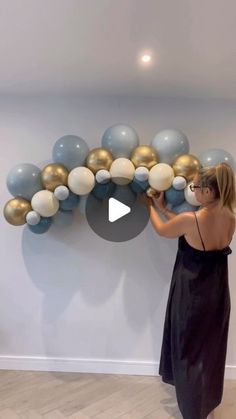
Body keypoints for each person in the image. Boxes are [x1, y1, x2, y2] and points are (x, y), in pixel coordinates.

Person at [142, 162, 236, 419]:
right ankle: (208, 405)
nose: (193, 191)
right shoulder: (230, 217)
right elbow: (186, 228)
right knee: (210, 351)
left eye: (196, 186)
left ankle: (193, 412)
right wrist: (165, 209)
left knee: (187, 352)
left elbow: (165, 231)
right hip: (217, 296)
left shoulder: (192, 219)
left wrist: (150, 208)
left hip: (192, 295)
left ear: (208, 191)